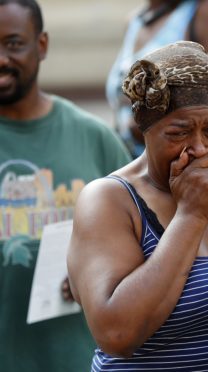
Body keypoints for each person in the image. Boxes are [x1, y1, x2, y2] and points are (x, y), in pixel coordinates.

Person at [67, 40, 208, 371]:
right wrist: (192, 215)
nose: (199, 148)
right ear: (145, 131)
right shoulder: (109, 200)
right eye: (179, 133)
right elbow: (116, 333)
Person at [0, 0, 132, 371]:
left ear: (41, 45)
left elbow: (148, 240)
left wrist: (98, 274)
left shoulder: (92, 137)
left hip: (78, 358)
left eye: (13, 44)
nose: (1, 59)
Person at [106, 0, 208, 158]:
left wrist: (163, 125)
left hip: (197, 162)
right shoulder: (135, 21)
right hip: (140, 161)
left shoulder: (204, 14)